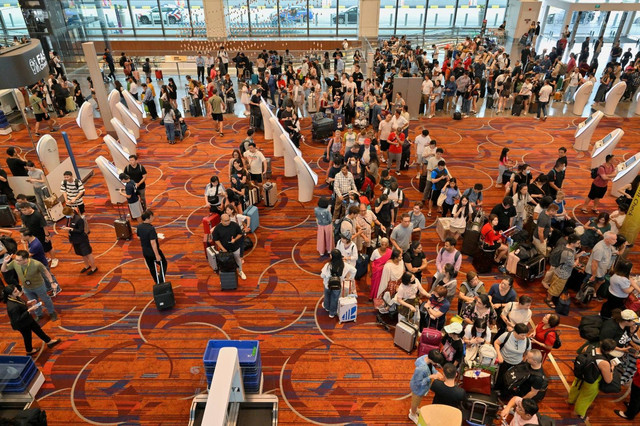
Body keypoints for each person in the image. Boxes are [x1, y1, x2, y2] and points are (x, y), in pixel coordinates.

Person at [2, 285, 61, 355]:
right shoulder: (12, 307)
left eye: (17, 289)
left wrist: (29, 302)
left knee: (37, 329)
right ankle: (29, 350)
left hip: (27, 319)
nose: (18, 291)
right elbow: (17, 319)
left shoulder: (15, 297)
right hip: (22, 324)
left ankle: (49, 341)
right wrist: (29, 310)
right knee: (27, 336)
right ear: (9, 295)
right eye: (15, 291)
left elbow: (21, 303)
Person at [1, 250, 58, 322]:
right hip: (26, 288)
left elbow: (46, 272)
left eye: (19, 260)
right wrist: (5, 262)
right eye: (16, 259)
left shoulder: (37, 264)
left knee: (46, 299)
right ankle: (39, 314)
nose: (16, 261)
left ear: (25, 260)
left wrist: (52, 282)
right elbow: (3, 270)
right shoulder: (15, 262)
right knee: (33, 302)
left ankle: (51, 312)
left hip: (39, 286)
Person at [568, 338, 617, 420]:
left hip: (580, 375)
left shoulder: (588, 347)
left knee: (575, 387)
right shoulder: (604, 362)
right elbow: (608, 380)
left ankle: (570, 400)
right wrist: (612, 368)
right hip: (591, 381)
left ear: (601, 343)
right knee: (586, 397)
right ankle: (578, 413)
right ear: (610, 350)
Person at [408, 349, 445, 424]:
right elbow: (418, 383)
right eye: (436, 362)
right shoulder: (421, 369)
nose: (436, 364)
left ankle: (414, 409)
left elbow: (431, 368)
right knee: (415, 402)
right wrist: (430, 377)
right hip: (418, 389)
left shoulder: (426, 357)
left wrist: (436, 373)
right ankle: (412, 414)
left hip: (421, 387)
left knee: (417, 401)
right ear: (432, 360)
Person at [17, 202, 58, 268]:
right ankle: (46, 258)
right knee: (39, 248)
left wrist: (47, 235)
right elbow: (24, 225)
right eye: (22, 210)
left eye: (25, 210)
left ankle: (54, 259)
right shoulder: (23, 216)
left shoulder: (37, 215)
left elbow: (44, 226)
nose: (23, 212)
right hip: (31, 236)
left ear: (29, 208)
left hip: (41, 234)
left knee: (48, 247)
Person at [494, 323, 531, 392]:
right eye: (522, 335)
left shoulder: (527, 341)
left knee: (511, 381)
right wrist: (499, 355)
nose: (524, 337)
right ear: (515, 333)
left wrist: (524, 360)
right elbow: (496, 343)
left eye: (525, 335)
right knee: (500, 378)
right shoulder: (506, 335)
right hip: (504, 362)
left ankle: (505, 393)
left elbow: (527, 352)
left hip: (516, 365)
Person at [60, 206, 97, 275]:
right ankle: (87, 266)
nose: (66, 217)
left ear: (70, 213)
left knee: (88, 253)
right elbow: (69, 225)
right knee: (82, 254)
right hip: (74, 239)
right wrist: (67, 228)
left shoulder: (78, 219)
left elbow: (81, 230)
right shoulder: (69, 219)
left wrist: (71, 229)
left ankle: (94, 268)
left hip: (82, 239)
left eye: (66, 215)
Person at [320, 249, 356, 318]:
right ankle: (332, 313)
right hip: (338, 285)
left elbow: (322, 275)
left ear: (332, 257)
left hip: (327, 285)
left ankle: (327, 307)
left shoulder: (328, 265)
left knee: (327, 295)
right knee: (335, 298)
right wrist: (350, 278)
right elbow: (354, 270)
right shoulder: (345, 265)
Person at [212, 213, 246, 280]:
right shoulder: (217, 228)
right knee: (225, 263)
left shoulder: (235, 225)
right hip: (224, 249)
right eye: (225, 221)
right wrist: (223, 249)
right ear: (221, 220)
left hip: (235, 247)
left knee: (238, 259)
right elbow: (216, 240)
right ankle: (225, 276)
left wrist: (235, 239)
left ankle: (240, 271)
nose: (227, 222)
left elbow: (240, 234)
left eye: (228, 220)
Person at [136, 210, 167, 284]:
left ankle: (157, 281)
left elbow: (138, 237)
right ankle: (161, 279)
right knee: (164, 263)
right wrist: (157, 255)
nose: (153, 217)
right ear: (148, 218)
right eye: (152, 216)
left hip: (145, 251)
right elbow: (153, 243)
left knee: (152, 268)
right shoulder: (151, 228)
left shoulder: (139, 226)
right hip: (153, 252)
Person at [584, 231, 617, 295]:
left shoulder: (608, 245)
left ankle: (593, 293)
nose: (616, 241)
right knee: (586, 284)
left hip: (601, 270)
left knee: (601, 281)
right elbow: (594, 263)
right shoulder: (600, 249)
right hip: (594, 271)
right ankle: (583, 296)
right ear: (607, 239)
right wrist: (593, 275)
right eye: (613, 239)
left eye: (616, 239)